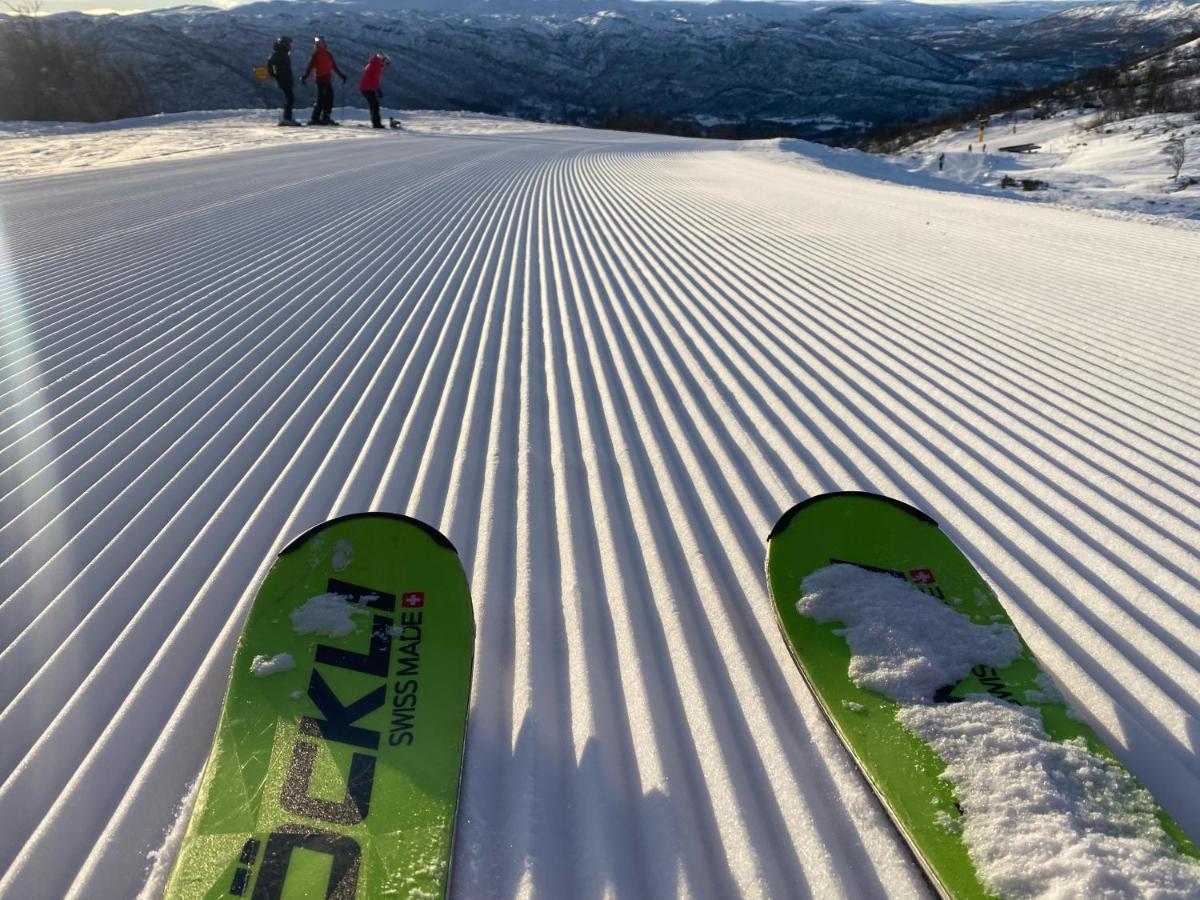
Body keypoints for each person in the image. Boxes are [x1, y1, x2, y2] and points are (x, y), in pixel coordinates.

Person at [301, 36, 347, 126]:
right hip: (320, 79)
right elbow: (310, 67)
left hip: (327, 79)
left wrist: (341, 75)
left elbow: (333, 66)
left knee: (329, 99)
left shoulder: (327, 54)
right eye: (318, 43)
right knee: (321, 99)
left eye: (321, 43)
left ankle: (325, 117)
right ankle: (316, 118)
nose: (319, 44)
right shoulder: (316, 54)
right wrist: (305, 76)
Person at [267, 36, 299, 125]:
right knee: (290, 98)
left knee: (289, 98)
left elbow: (270, 63)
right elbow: (270, 63)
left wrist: (274, 74)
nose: (289, 45)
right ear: (284, 44)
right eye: (288, 43)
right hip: (283, 79)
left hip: (285, 78)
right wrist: (274, 74)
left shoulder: (282, 53)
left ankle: (287, 118)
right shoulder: (279, 53)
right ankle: (287, 118)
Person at [359, 52, 390, 129]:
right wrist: (378, 89)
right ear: (383, 60)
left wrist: (376, 88)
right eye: (386, 63)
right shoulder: (377, 65)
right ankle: (376, 124)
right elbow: (375, 79)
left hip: (366, 87)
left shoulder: (373, 63)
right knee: (375, 105)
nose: (385, 65)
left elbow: (372, 78)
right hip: (367, 88)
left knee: (374, 105)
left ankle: (376, 123)